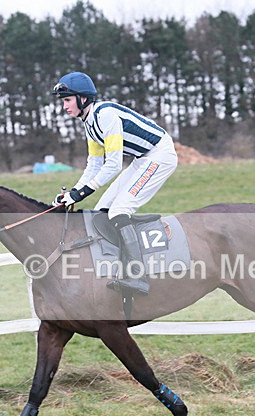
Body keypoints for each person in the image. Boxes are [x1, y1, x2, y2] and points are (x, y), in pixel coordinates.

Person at [51, 71, 178, 295]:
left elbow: (113, 166)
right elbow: (94, 165)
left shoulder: (105, 115)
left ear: (83, 99)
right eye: (64, 101)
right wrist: (73, 192)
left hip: (160, 155)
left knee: (119, 210)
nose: (65, 106)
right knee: (102, 211)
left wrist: (80, 195)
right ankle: (116, 265)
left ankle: (138, 277)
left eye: (68, 100)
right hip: (142, 160)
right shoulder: (89, 122)